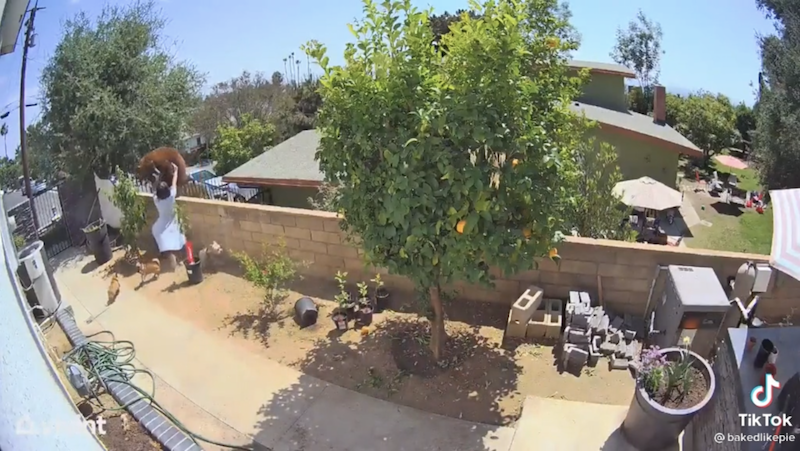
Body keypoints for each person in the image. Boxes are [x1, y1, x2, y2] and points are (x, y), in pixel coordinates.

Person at [152, 163, 186, 266]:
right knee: (179, 236)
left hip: (161, 223)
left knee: (156, 232)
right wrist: (175, 171)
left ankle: (166, 254)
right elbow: (174, 182)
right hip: (173, 221)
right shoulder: (171, 196)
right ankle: (181, 257)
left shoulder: (156, 200)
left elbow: (154, 189)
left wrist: (157, 178)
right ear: (167, 190)